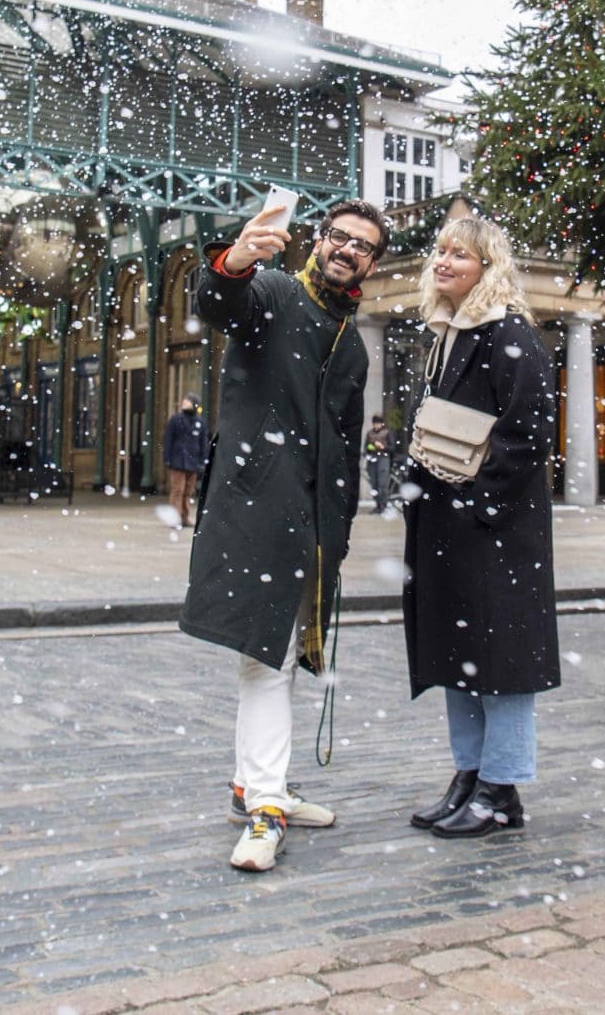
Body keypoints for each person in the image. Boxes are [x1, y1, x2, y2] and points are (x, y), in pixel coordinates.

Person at [179, 196, 389, 872]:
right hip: (256, 512)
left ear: (371, 263)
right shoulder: (272, 292)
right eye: (338, 235)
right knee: (265, 659)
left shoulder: (351, 343)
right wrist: (235, 260)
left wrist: (342, 534)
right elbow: (219, 301)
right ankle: (266, 808)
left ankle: (253, 783)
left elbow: (346, 450)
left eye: (363, 244)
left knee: (286, 655)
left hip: (314, 527)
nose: (347, 248)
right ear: (318, 239)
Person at [401, 217, 560, 837]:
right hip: (450, 525)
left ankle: (501, 790)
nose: (443, 262)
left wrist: (480, 506)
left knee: (500, 661)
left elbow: (527, 435)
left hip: (495, 533)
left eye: (459, 255)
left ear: (487, 266)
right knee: (458, 654)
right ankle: (469, 776)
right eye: (440, 251)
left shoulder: (507, 332)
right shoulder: (446, 333)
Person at [162, 392, 208, 528]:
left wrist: (202, 461)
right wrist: (167, 458)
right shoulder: (176, 420)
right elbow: (168, 440)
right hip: (178, 460)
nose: (185, 403)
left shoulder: (200, 422)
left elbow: (202, 443)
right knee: (178, 490)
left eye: (188, 401)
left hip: (192, 461)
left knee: (188, 491)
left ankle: (184, 517)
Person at [364, 414, 395, 515]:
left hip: (383, 458)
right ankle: (378, 505)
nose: (376, 425)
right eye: (375, 423)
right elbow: (366, 448)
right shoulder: (369, 433)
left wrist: (382, 447)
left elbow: (392, 448)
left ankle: (384, 505)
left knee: (383, 484)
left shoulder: (387, 432)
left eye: (378, 423)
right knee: (374, 484)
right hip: (373, 459)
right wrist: (372, 446)